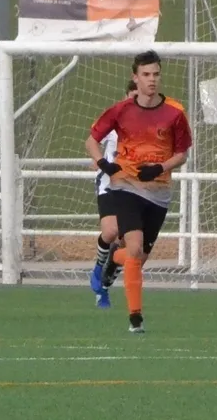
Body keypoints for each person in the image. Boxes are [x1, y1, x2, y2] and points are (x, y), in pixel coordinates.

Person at [86, 51, 193, 333]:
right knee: (132, 246)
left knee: (138, 258)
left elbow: (182, 154)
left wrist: (160, 167)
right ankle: (136, 319)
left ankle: (113, 261)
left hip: (158, 192)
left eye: (156, 74)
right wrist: (103, 163)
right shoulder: (120, 110)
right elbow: (91, 141)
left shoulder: (175, 113)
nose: (151, 79)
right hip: (124, 186)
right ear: (135, 78)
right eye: (146, 75)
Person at [89, 79, 138, 308]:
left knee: (125, 243)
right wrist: (98, 160)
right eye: (132, 97)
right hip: (109, 184)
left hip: (134, 189)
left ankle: (105, 288)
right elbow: (93, 140)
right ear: (126, 96)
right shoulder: (114, 118)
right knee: (111, 231)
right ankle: (98, 268)